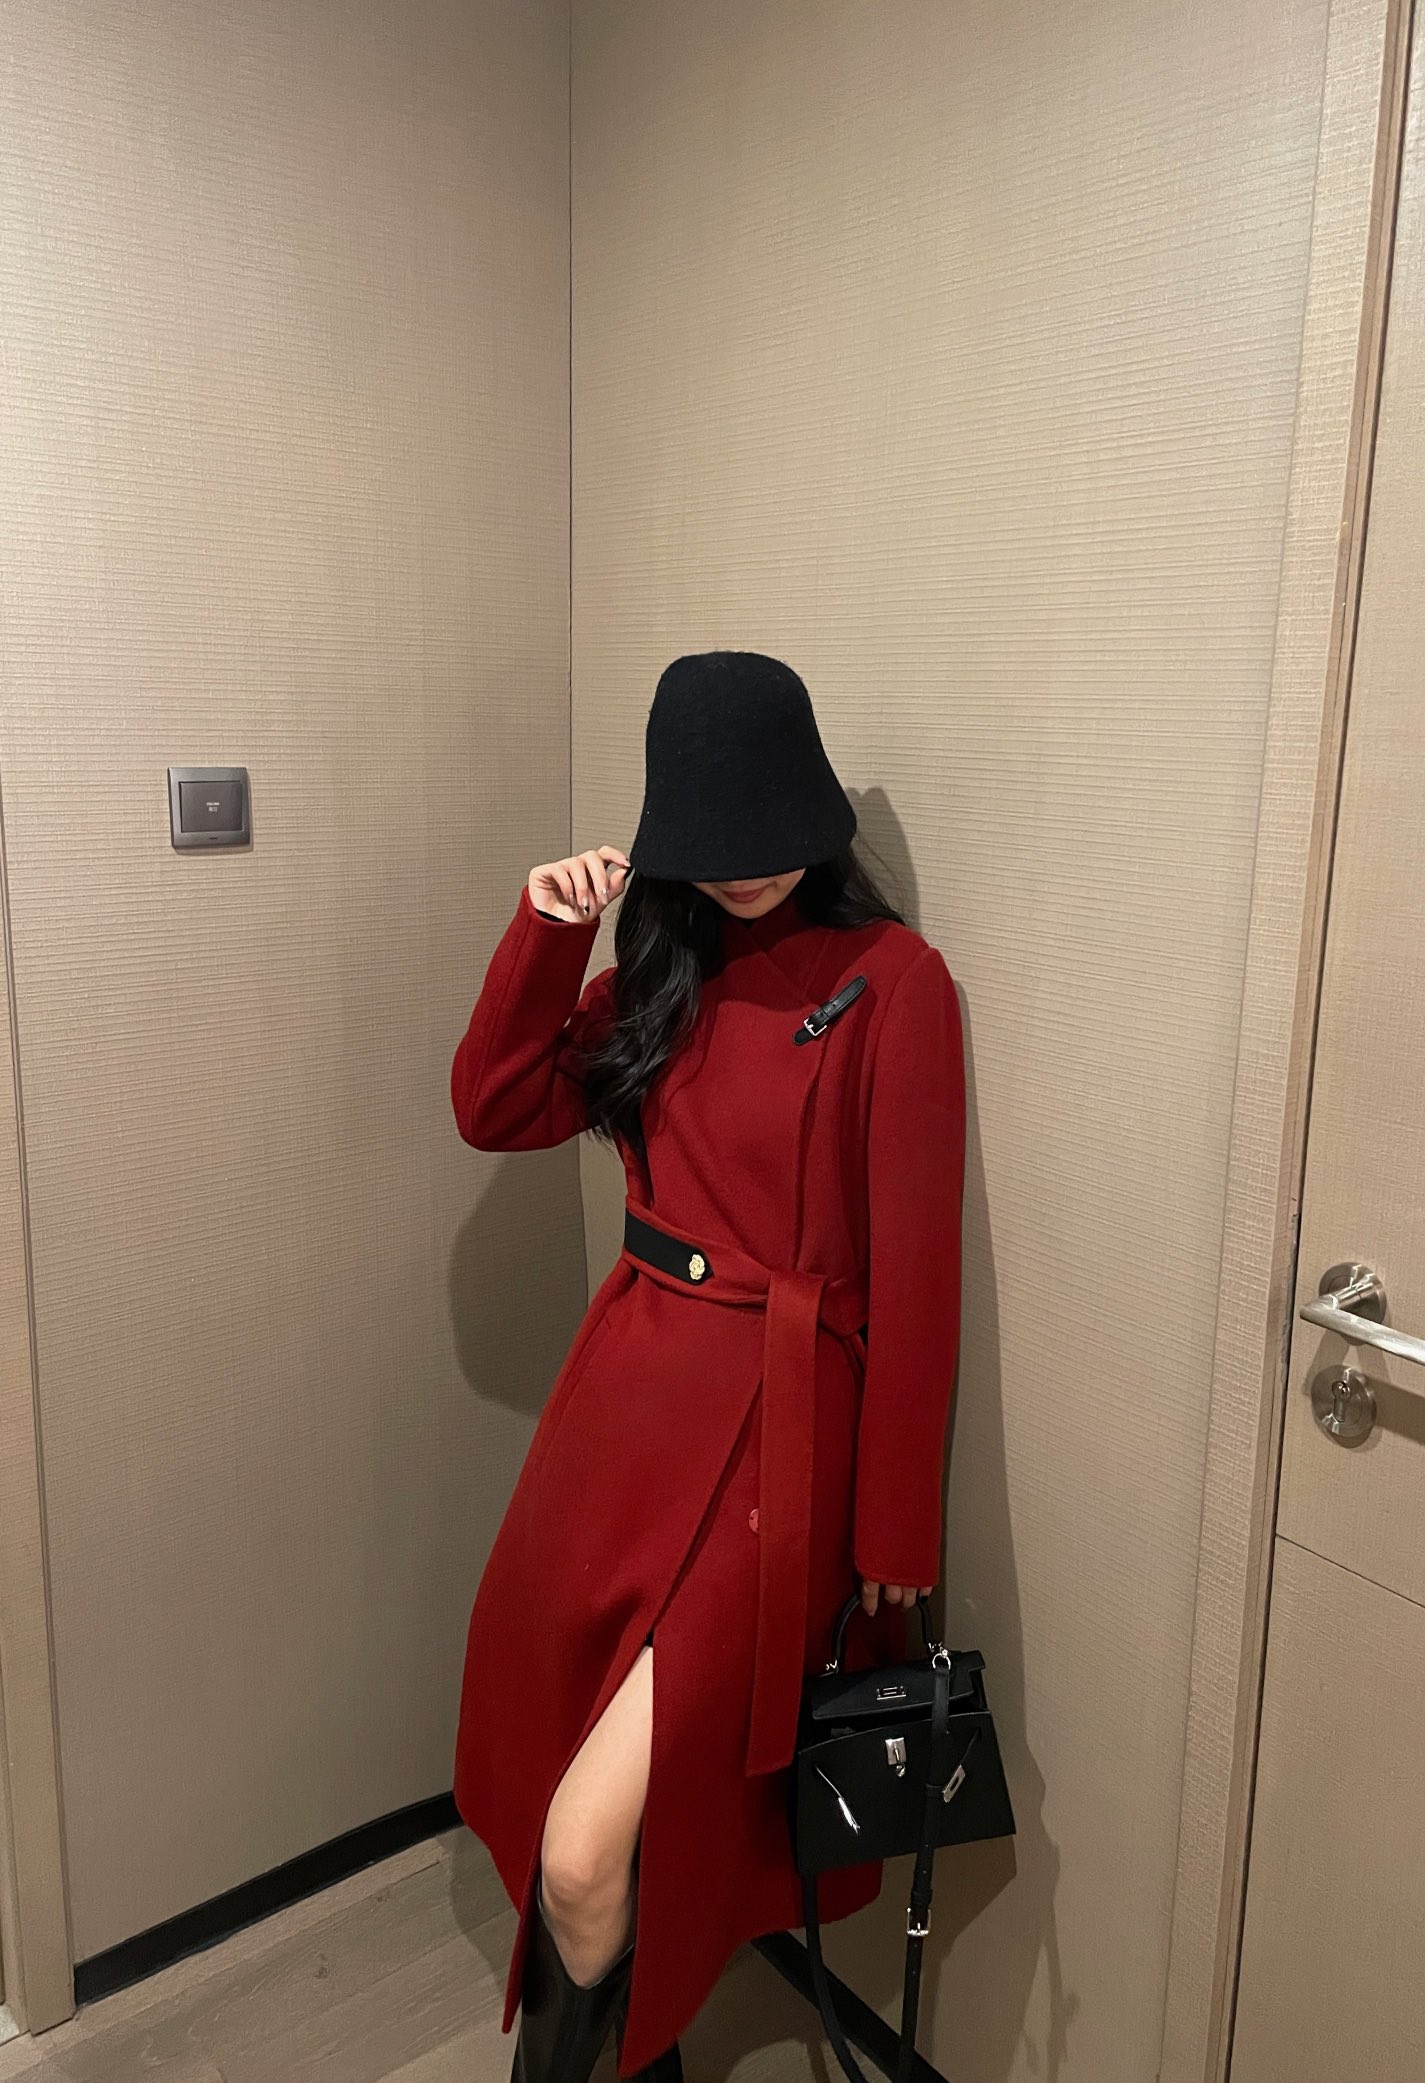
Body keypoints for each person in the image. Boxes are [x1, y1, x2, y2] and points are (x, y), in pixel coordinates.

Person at [450, 651, 968, 2082]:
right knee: (554, 1771)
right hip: (624, 1405)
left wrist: (893, 1530)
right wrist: (550, 933)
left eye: (770, 833)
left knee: (585, 1849)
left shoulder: (894, 985)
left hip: (780, 1444)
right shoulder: (657, 978)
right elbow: (494, 1106)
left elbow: (918, 1277)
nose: (745, 869)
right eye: (713, 841)